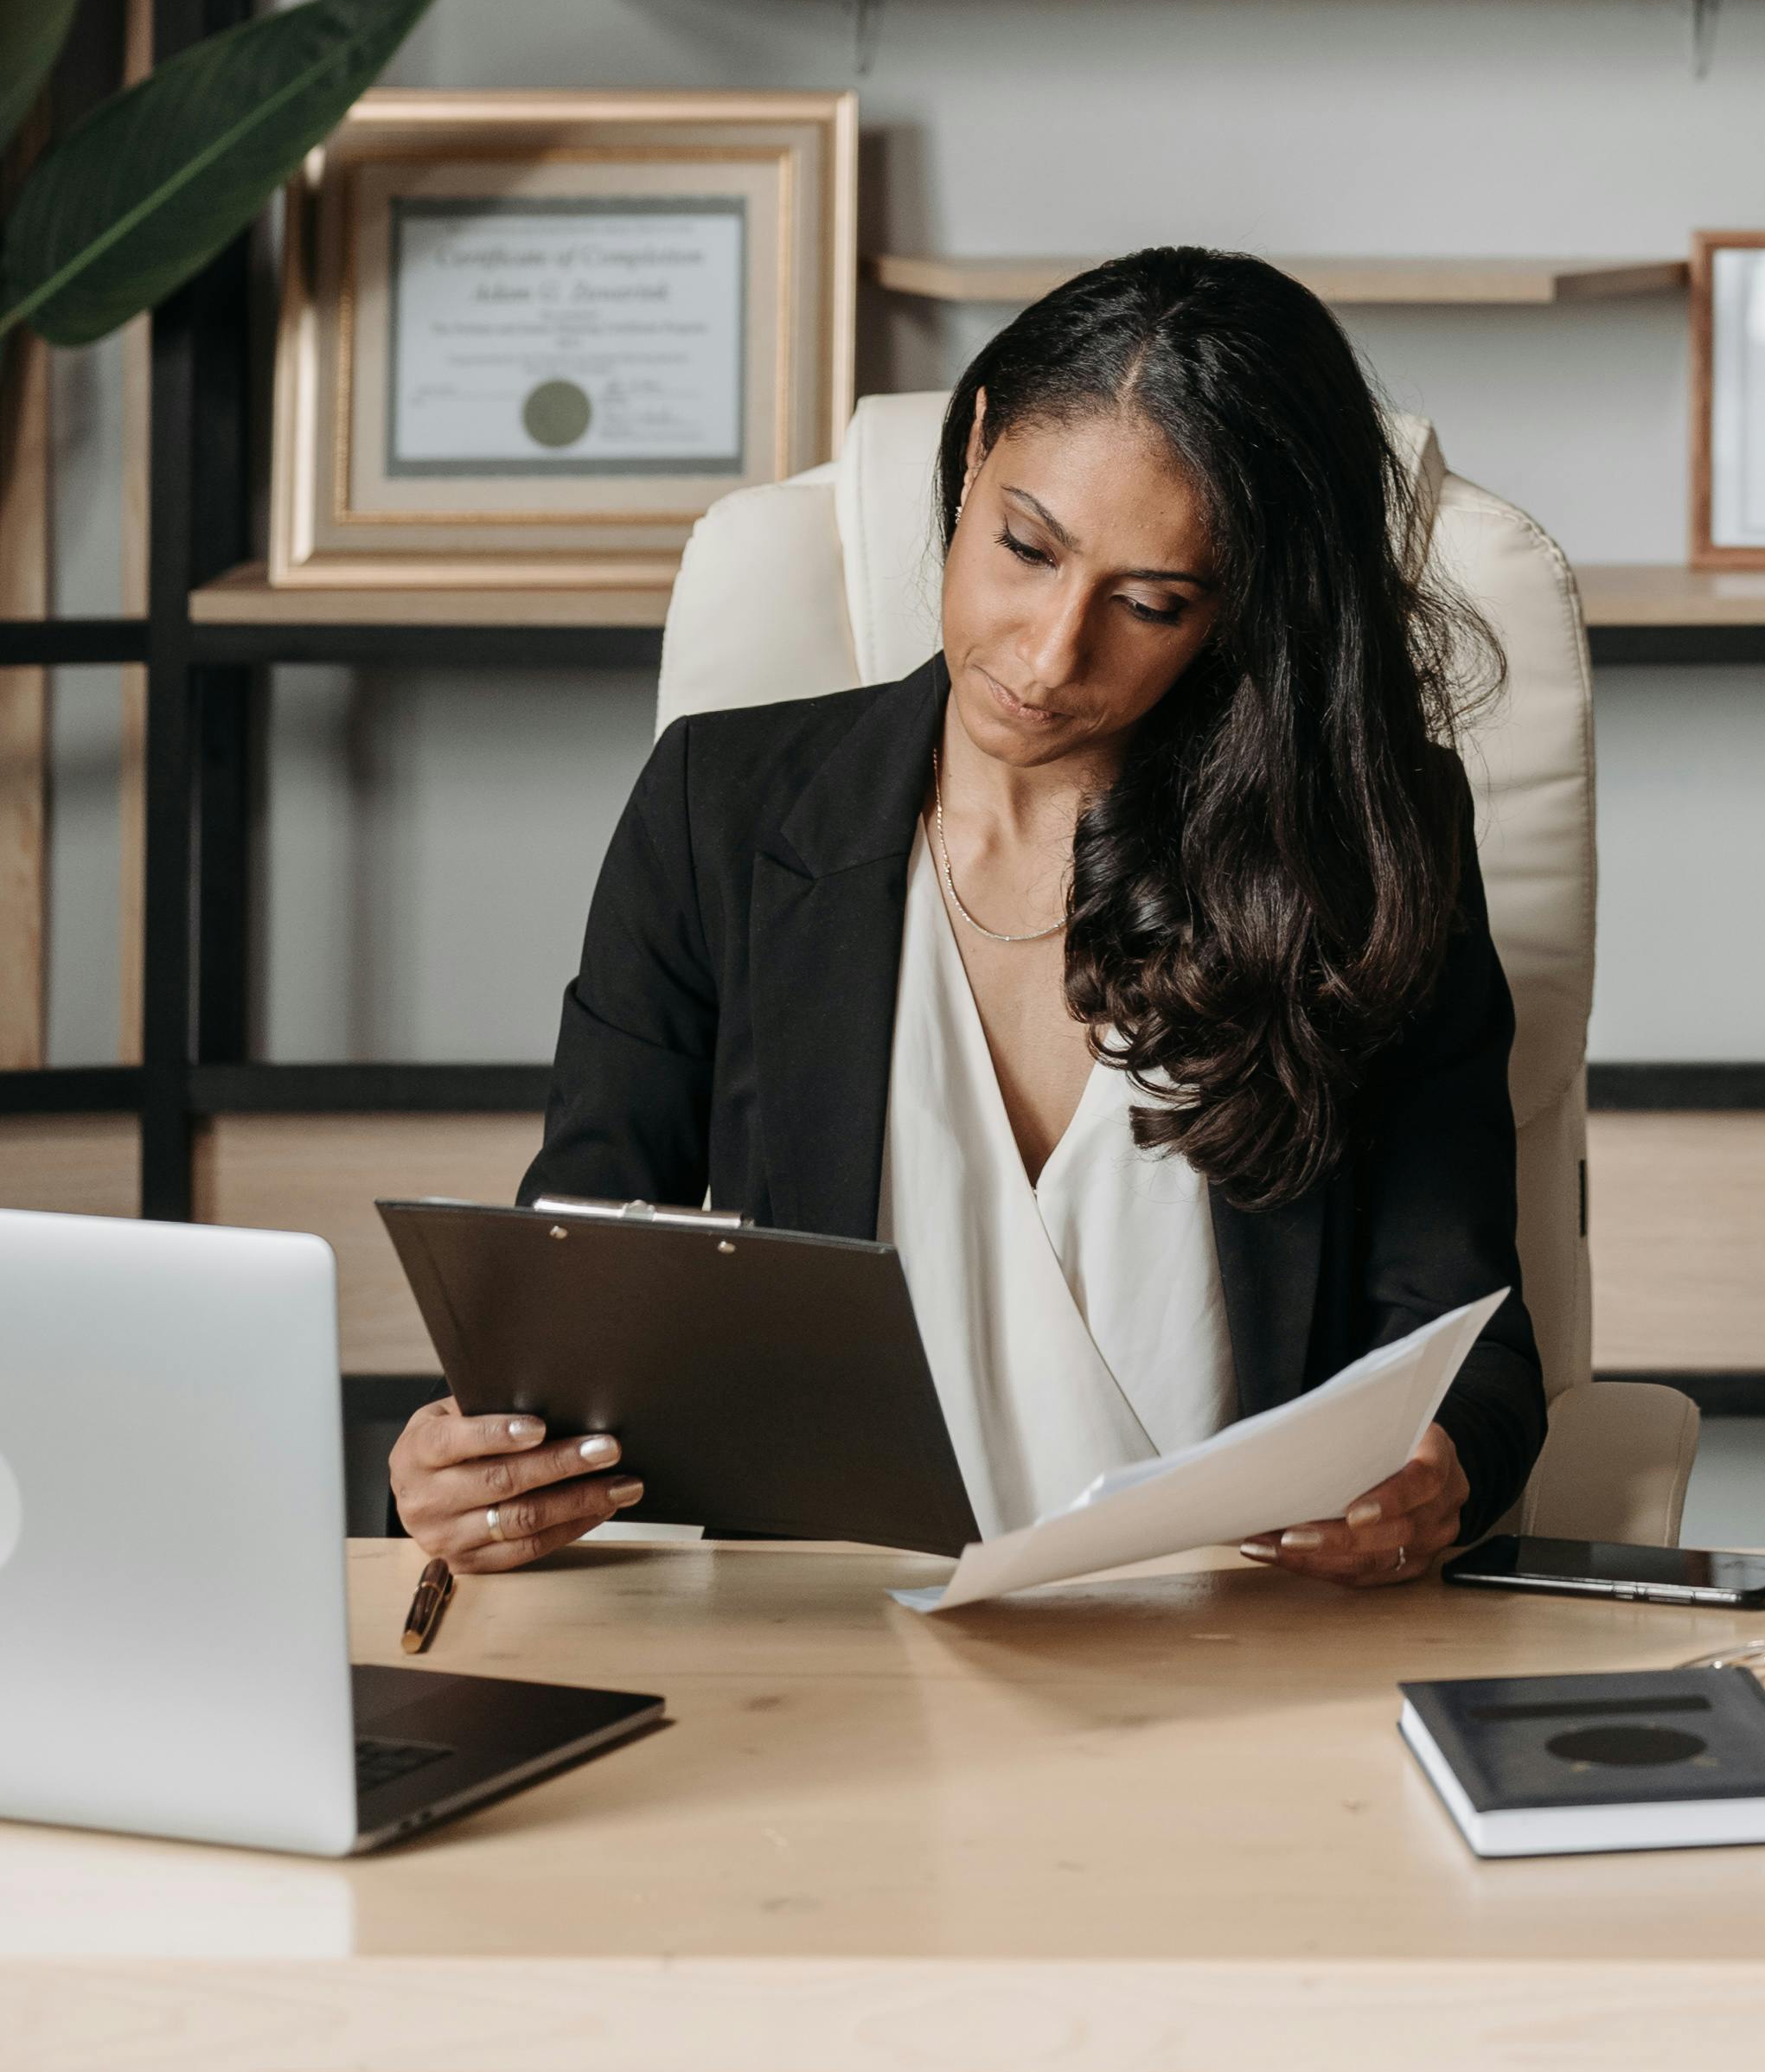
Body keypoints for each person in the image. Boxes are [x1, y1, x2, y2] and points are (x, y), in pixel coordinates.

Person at [390, 250, 1544, 1588]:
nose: (1051, 656)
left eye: (1150, 604)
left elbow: (1477, 1341)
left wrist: (1435, 1473)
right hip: (831, 1654)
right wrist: (480, 1469)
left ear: (1241, 613)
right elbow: (571, 1301)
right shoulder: (720, 810)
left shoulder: (1360, 844)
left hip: (1238, 1640)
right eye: (1026, 549)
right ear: (979, 441)